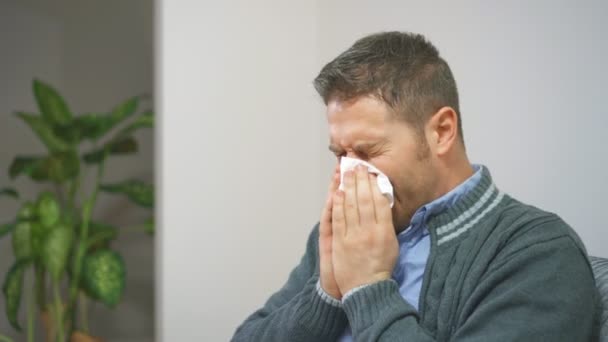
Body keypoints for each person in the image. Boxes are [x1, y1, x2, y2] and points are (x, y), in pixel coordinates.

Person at [231, 31, 600, 341]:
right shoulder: (343, 234)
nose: (349, 174)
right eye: (339, 154)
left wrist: (366, 287)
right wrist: (326, 294)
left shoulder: (537, 252)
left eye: (367, 151)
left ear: (441, 132)